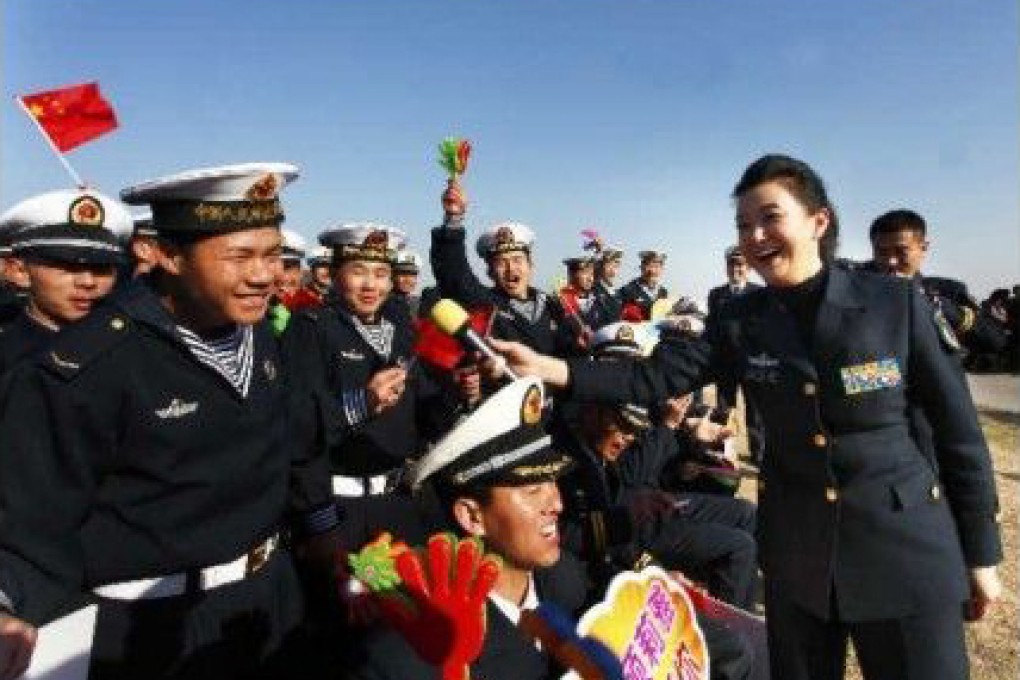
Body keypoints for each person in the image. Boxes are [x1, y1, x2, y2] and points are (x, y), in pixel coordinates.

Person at [490, 154, 1003, 680]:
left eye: (770, 217)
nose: (754, 236)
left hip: (902, 550)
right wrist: (550, 368)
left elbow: (958, 431)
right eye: (743, 225)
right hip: (799, 556)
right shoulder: (740, 321)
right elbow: (652, 379)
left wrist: (981, 551)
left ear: (818, 221)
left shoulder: (893, 303)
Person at [0, 162, 340, 680]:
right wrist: (9, 604)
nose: (264, 274)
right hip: (149, 631)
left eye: (271, 253)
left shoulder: (259, 333)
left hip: (266, 601)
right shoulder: (89, 364)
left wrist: (320, 530)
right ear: (167, 255)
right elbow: (30, 516)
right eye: (240, 256)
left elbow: (291, 444)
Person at [351, 377, 582, 680]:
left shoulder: (568, 579)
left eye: (552, 482)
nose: (557, 504)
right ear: (472, 517)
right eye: (532, 490)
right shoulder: (417, 657)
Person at [280, 222, 438, 549]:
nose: (370, 285)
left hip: (399, 502)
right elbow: (298, 429)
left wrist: (466, 389)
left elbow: (425, 410)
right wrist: (361, 404)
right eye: (358, 272)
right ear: (336, 275)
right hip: (339, 510)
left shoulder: (401, 331)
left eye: (381, 273)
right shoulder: (310, 328)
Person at [430, 180, 574, 356]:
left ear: (531, 265)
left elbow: (568, 353)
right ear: (490, 272)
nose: (511, 268)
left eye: (517, 260)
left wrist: (581, 344)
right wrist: (453, 219)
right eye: (501, 262)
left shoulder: (552, 305)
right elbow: (453, 274)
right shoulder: (485, 304)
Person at [0, 189, 129, 375]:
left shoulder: (136, 347)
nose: (88, 281)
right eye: (68, 266)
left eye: (102, 267)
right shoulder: (8, 361)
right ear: (20, 272)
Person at [869, 209, 1009, 357]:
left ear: (923, 248)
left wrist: (942, 309)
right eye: (882, 252)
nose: (891, 261)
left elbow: (995, 341)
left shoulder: (946, 292)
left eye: (901, 251)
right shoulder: (857, 294)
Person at [706, 245, 764, 463]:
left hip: (751, 364)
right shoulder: (716, 295)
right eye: (732, 264)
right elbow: (711, 328)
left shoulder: (759, 293)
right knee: (724, 410)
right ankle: (724, 449)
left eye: (740, 264)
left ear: (748, 267)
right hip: (725, 363)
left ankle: (758, 455)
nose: (736, 269)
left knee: (755, 412)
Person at [618, 249, 668, 321]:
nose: (652, 271)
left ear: (662, 269)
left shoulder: (663, 292)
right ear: (641, 267)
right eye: (649, 266)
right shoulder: (627, 291)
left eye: (656, 266)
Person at [389, 248, 422, 319]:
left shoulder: (419, 304)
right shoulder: (382, 303)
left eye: (412, 275)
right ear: (392, 275)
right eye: (403, 274)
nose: (408, 279)